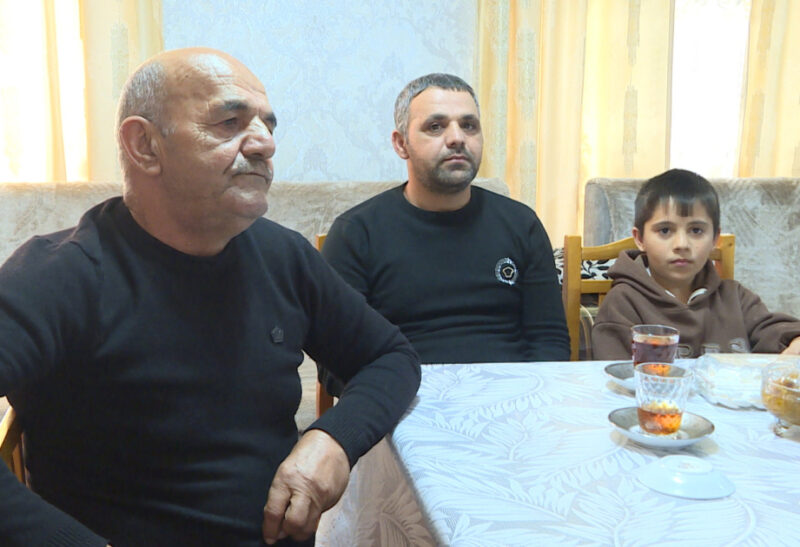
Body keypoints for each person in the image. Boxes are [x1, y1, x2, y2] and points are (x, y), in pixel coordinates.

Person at [0, 48, 420, 546]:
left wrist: (333, 439)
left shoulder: (282, 255)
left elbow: (390, 356)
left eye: (268, 125)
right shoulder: (57, 275)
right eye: (229, 122)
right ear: (144, 145)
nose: (265, 143)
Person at [320, 73, 569, 395]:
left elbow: (549, 341)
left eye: (469, 125)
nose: (457, 138)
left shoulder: (522, 224)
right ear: (401, 143)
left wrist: (524, 397)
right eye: (436, 126)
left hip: (510, 398)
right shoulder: (356, 233)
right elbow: (336, 361)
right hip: (400, 401)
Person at [592, 168, 800, 359]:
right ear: (640, 239)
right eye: (665, 230)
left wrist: (795, 343)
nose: (682, 244)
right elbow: (614, 377)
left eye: (696, 231)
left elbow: (778, 331)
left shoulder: (735, 298)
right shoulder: (623, 303)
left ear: (715, 239)